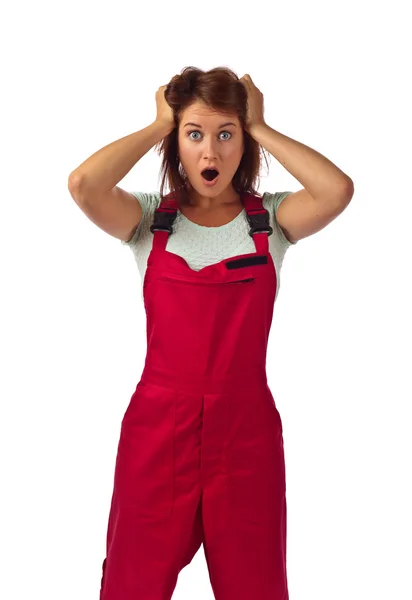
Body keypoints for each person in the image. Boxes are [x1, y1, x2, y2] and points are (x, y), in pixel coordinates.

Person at [68, 66, 353, 600]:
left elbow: (337, 190)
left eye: (227, 135)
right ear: (177, 142)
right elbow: (83, 185)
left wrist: (261, 125)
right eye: (195, 134)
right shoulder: (149, 220)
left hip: (244, 434)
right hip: (158, 432)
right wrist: (159, 123)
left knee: (255, 586)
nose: (211, 153)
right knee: (133, 583)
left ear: (243, 143)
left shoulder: (271, 221)